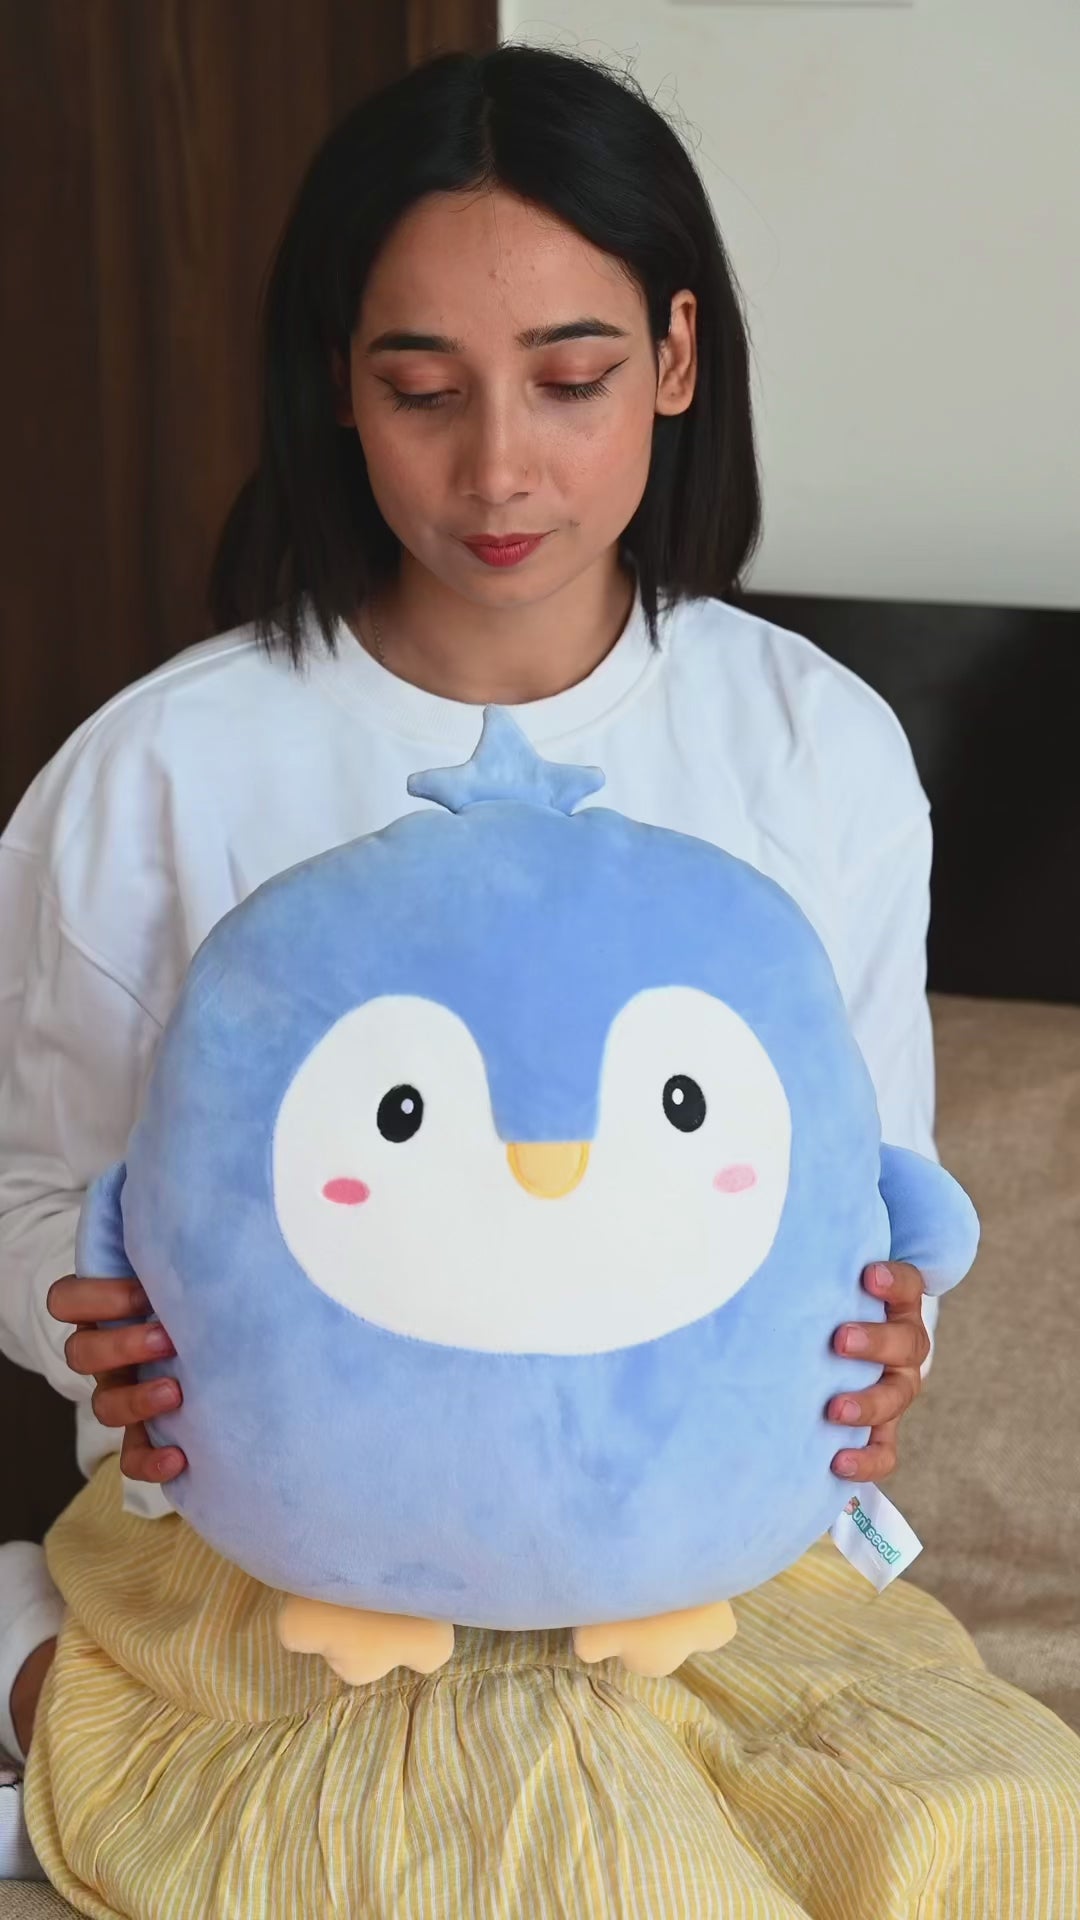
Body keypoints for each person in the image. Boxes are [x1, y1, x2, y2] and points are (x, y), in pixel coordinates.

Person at [0, 40, 1077, 1919]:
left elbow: (860, 1187)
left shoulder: (811, 747)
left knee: (994, 1831)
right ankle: (67, 1667)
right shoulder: (164, 769)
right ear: (339, 383)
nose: (497, 467)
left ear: (674, 357)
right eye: (422, 390)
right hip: (295, 1559)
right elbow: (29, 1186)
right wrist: (84, 1310)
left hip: (696, 1560)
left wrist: (891, 1323)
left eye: (571, 380)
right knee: (543, 1852)